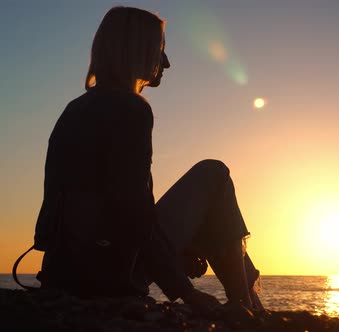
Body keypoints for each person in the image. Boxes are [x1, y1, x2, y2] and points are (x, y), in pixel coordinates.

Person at [33, 6, 263, 316]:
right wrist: (185, 291)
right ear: (135, 52)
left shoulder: (75, 109)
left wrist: (175, 253)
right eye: (160, 50)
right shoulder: (130, 109)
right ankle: (247, 308)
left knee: (209, 200)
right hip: (107, 275)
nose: (166, 61)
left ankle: (249, 304)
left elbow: (96, 210)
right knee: (214, 173)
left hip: (65, 271)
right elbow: (132, 214)